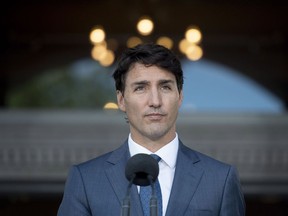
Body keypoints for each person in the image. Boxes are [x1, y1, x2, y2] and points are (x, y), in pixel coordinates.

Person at [57, 43, 245, 216]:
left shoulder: (220, 180)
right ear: (121, 100)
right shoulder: (85, 180)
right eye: (141, 88)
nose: (155, 101)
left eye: (165, 87)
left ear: (180, 97)